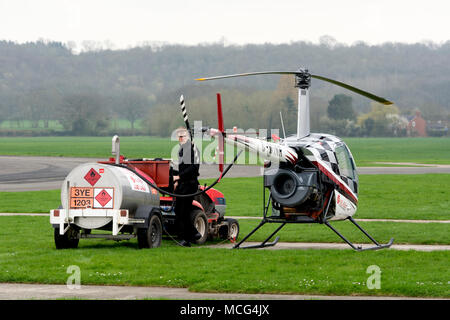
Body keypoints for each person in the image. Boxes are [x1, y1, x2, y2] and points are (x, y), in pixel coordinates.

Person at [173, 127, 201, 247]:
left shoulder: (192, 149)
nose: (180, 138)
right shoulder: (182, 149)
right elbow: (182, 168)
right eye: (178, 136)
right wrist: (177, 181)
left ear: (188, 136)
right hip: (182, 184)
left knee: (184, 211)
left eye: (182, 135)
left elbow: (194, 169)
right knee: (179, 210)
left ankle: (187, 239)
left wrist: (179, 177)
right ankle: (194, 234)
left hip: (190, 185)